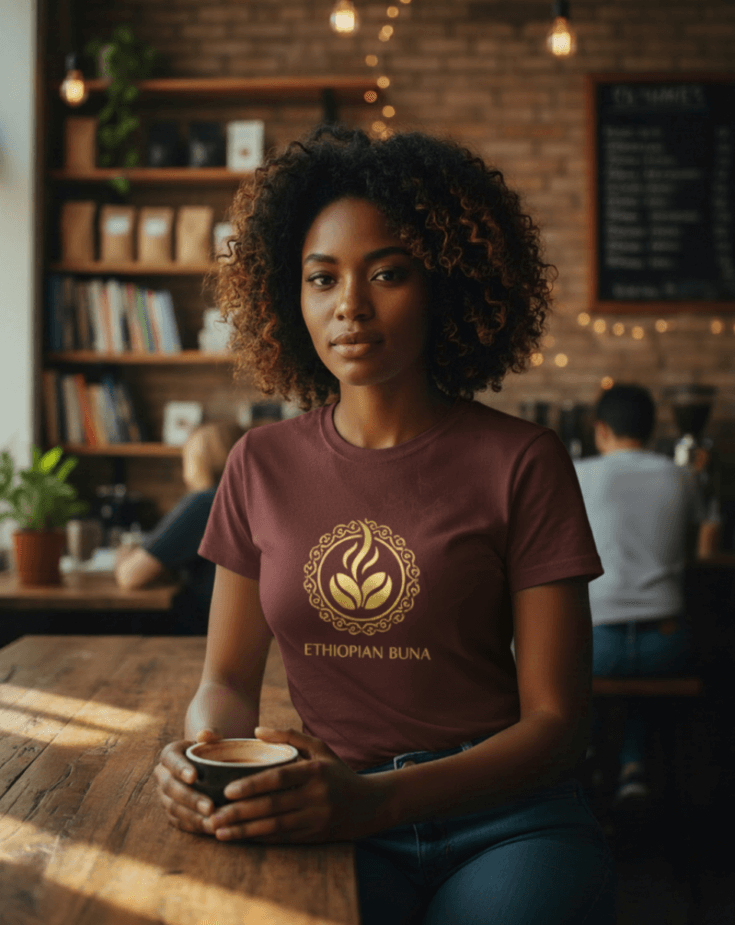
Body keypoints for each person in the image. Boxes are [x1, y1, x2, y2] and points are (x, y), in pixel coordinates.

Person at [153, 125, 615, 924]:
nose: (350, 307)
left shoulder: (522, 460)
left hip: (504, 817)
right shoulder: (258, 464)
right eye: (322, 278)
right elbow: (225, 682)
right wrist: (206, 759)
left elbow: (556, 726)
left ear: (447, 284)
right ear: (288, 297)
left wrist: (374, 800)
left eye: (388, 274)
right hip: (324, 810)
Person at [574, 384, 703, 803]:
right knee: (640, 680)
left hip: (598, 646)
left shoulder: (576, 474)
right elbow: (693, 548)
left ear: (601, 429)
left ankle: (585, 759)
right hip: (668, 645)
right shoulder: (681, 477)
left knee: (562, 660)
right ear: (651, 430)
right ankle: (634, 768)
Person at [115, 420, 243, 632]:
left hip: (203, 632)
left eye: (186, 458)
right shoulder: (244, 501)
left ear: (199, 461)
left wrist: (122, 554)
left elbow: (131, 576)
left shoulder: (205, 503)